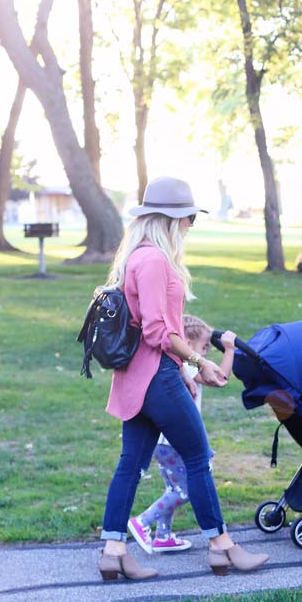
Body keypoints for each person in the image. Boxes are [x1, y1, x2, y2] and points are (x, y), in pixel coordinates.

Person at [98, 174, 268, 581]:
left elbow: (150, 331)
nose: (191, 224)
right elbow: (159, 332)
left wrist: (190, 367)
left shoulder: (135, 256)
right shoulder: (154, 260)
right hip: (157, 378)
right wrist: (200, 362)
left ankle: (114, 551)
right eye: (189, 217)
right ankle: (222, 547)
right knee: (199, 458)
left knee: (130, 464)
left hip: (136, 378)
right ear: (171, 219)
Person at [127, 314, 231, 555]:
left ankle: (163, 536)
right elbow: (220, 379)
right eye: (204, 347)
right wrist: (229, 351)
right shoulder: (186, 364)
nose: (205, 353)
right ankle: (142, 521)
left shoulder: (177, 363)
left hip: (164, 442)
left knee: (173, 488)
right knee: (183, 491)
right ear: (188, 343)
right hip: (175, 442)